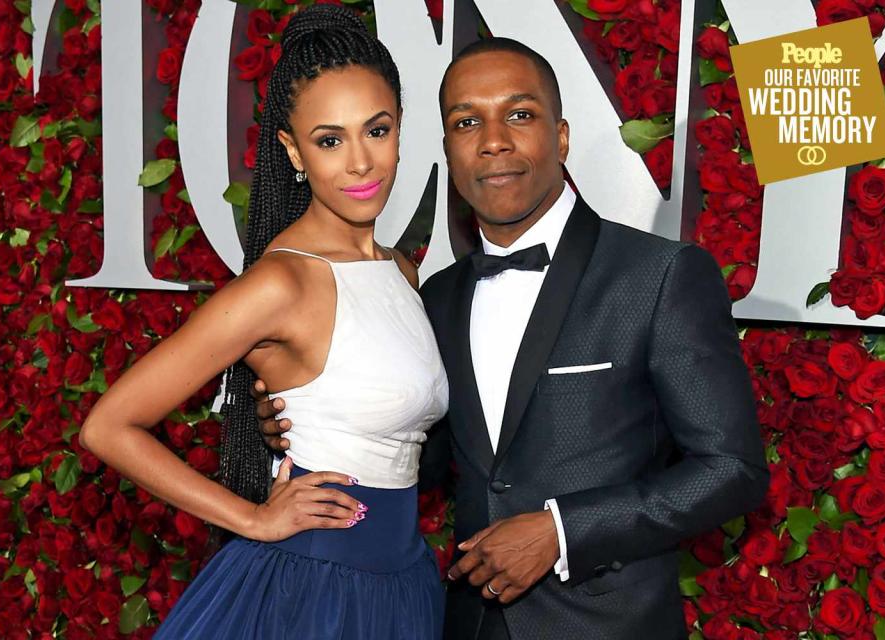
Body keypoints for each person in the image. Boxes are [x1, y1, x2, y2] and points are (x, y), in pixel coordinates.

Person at [257, 37, 769, 640]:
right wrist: (327, 421)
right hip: (464, 623)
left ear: (562, 136)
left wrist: (561, 530)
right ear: (448, 149)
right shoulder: (435, 297)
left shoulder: (658, 276)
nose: (493, 139)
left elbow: (732, 469)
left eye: (520, 115)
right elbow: (425, 459)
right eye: (467, 121)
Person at [79, 5, 447, 639]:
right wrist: (253, 519)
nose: (360, 161)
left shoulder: (400, 270)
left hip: (405, 585)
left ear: (400, 129)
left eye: (377, 131)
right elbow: (109, 426)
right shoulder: (280, 283)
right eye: (330, 140)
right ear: (292, 150)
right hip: (310, 594)